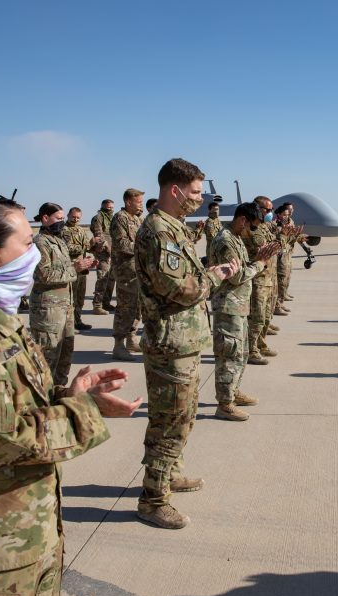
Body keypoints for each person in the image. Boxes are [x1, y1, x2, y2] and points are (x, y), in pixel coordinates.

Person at [0, 199, 142, 596]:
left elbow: (16, 401)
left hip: (27, 527)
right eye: (26, 244)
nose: (35, 253)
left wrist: (71, 394)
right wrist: (82, 412)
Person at [134, 158, 239, 528]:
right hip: (171, 344)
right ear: (175, 190)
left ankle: (170, 473)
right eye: (195, 192)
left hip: (184, 340)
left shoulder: (173, 227)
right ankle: (153, 498)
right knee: (168, 423)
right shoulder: (159, 232)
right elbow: (180, 289)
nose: (200, 198)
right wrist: (215, 275)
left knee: (182, 417)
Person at [209, 203, 280, 421]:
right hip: (228, 306)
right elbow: (236, 276)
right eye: (252, 226)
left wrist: (257, 260)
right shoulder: (225, 242)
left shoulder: (236, 238)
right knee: (229, 354)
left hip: (239, 305)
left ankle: (233, 391)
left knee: (241, 353)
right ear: (242, 220)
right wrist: (260, 264)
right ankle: (224, 404)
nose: (253, 232)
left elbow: (243, 267)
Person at [31, 203, 95, 387]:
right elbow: (43, 274)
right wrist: (74, 267)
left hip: (65, 307)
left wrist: (82, 265)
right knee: (47, 360)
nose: (62, 222)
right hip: (48, 311)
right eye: (58, 218)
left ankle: (59, 393)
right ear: (45, 218)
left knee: (65, 356)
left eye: (61, 218)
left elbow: (66, 268)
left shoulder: (58, 241)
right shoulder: (40, 243)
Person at [111, 188, 145, 361]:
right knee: (125, 308)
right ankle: (118, 345)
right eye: (138, 202)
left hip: (137, 271)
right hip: (125, 271)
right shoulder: (120, 218)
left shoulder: (137, 219)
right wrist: (143, 248)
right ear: (128, 202)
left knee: (137, 307)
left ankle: (132, 339)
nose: (141, 205)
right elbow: (121, 244)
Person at [245, 196, 279, 364]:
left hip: (267, 277)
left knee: (265, 316)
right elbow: (262, 250)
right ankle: (251, 350)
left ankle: (260, 343)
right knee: (256, 317)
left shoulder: (263, 227)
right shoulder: (251, 229)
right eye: (267, 210)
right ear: (257, 209)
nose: (270, 213)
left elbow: (271, 247)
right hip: (257, 278)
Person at [61, 207, 97, 331]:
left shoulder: (81, 229)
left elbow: (86, 245)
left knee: (80, 297)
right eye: (73, 217)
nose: (75, 219)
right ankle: (69, 324)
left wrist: (93, 244)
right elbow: (68, 247)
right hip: (71, 267)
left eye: (78, 217)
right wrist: (85, 247)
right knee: (71, 298)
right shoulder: (63, 230)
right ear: (68, 215)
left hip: (82, 268)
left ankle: (77, 320)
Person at [90, 199, 116, 314]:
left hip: (113, 252)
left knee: (111, 279)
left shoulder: (113, 218)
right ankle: (97, 305)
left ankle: (106, 303)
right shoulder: (98, 218)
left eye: (111, 207)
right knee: (103, 278)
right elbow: (99, 236)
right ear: (102, 206)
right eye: (108, 207)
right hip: (103, 253)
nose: (110, 209)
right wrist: (107, 248)